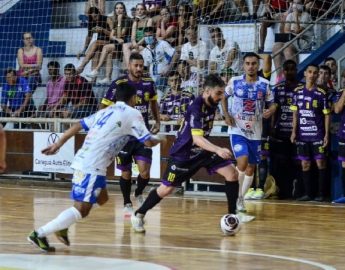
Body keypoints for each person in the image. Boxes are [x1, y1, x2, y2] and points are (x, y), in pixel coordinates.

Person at [27, 83, 164, 252]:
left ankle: (63, 224)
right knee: (82, 209)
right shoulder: (133, 113)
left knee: (103, 198)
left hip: (84, 161)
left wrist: (58, 143)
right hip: (92, 165)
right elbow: (148, 142)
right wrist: (161, 138)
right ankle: (39, 233)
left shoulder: (106, 111)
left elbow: (78, 125)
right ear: (133, 98)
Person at [131, 74, 254, 233]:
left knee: (232, 174)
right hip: (183, 155)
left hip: (202, 152)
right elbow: (196, 139)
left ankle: (232, 217)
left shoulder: (212, 103)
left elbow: (202, 139)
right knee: (166, 190)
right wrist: (218, 149)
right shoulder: (196, 107)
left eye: (222, 93)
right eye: (218, 93)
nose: (221, 97)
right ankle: (139, 214)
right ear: (207, 91)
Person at [100, 52, 160, 216]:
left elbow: (154, 103)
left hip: (142, 134)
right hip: (123, 137)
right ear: (129, 66)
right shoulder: (118, 84)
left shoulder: (148, 83)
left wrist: (158, 121)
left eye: (141, 66)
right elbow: (103, 107)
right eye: (136, 65)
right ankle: (127, 202)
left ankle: (138, 192)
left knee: (145, 172)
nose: (139, 68)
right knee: (126, 172)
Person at [221, 52, 277, 213]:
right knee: (243, 163)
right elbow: (223, 97)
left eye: (253, 63)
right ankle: (235, 197)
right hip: (237, 129)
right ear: (243, 65)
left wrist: (271, 110)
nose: (251, 66)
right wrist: (226, 115)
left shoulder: (264, 84)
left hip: (256, 131)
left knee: (251, 168)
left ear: (257, 66)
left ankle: (240, 198)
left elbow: (273, 103)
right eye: (247, 63)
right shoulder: (235, 81)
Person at [290, 64, 330, 201]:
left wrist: (326, 135)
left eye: (315, 73)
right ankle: (308, 193)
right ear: (305, 73)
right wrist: (293, 132)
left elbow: (327, 115)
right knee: (305, 164)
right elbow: (295, 114)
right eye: (310, 72)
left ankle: (321, 194)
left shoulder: (321, 93)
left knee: (320, 163)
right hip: (302, 134)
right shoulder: (297, 92)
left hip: (317, 134)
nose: (312, 75)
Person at [270, 60, 301, 199]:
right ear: (283, 72)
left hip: (298, 134)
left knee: (297, 163)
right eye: (287, 69)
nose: (290, 72)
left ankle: (297, 192)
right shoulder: (278, 89)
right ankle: (280, 192)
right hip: (280, 132)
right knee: (280, 163)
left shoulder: (302, 88)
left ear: (296, 70)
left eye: (292, 69)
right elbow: (273, 111)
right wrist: (272, 128)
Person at [86, 2, 132, 84]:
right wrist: (116, 38)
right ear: (115, 10)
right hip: (118, 43)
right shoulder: (115, 20)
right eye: (117, 8)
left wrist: (119, 22)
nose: (119, 10)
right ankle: (107, 77)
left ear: (124, 9)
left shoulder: (128, 19)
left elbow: (121, 34)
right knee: (108, 53)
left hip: (125, 44)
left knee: (106, 47)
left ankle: (96, 70)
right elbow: (111, 36)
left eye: (121, 8)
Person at [141, 27, 176, 97]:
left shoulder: (163, 44)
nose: (148, 38)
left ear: (154, 35)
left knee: (158, 97)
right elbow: (145, 67)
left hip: (163, 77)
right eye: (146, 36)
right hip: (152, 80)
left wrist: (169, 67)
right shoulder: (145, 51)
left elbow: (175, 54)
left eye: (150, 35)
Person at [76, 7, 112, 75]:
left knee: (95, 43)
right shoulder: (92, 22)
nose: (95, 19)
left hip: (110, 42)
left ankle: (81, 66)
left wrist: (103, 30)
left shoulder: (107, 19)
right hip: (101, 44)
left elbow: (114, 35)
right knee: (96, 53)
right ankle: (93, 78)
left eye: (96, 16)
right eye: (93, 17)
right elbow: (89, 36)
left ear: (99, 13)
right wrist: (84, 50)